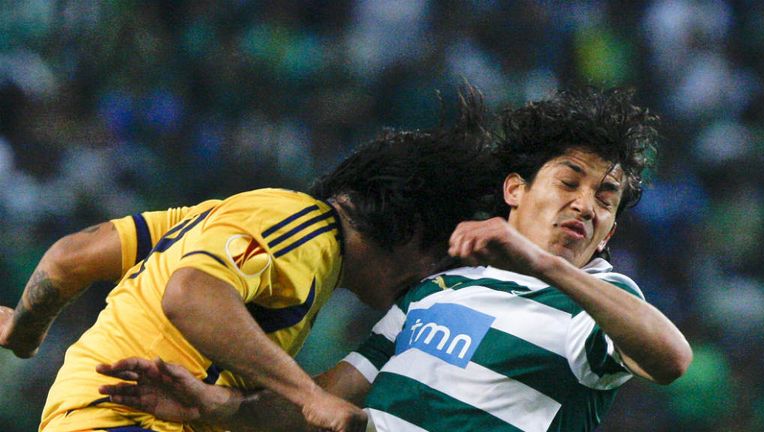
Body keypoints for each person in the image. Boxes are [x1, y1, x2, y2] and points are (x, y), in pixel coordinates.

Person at [96, 86, 693, 432]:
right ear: (515, 189)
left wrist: (544, 266)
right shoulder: (436, 291)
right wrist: (217, 408)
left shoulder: (600, 300)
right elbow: (322, 402)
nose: (586, 205)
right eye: (570, 182)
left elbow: (671, 360)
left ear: (611, 229)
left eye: (606, 198)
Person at [0, 87, 502, 432]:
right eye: (439, 255)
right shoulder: (307, 233)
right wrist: (310, 396)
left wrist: (23, 331)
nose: (430, 274)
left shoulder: (219, 216)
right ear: (412, 232)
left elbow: (71, 257)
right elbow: (190, 294)